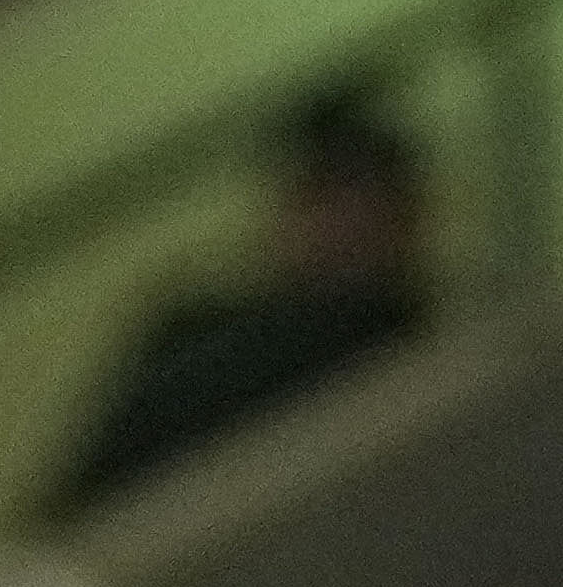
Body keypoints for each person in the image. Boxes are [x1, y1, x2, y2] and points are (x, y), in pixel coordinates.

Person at [47, 93, 432, 512]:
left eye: (360, 203)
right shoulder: (201, 335)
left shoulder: (420, 350)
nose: (340, 225)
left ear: (402, 221)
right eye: (319, 200)